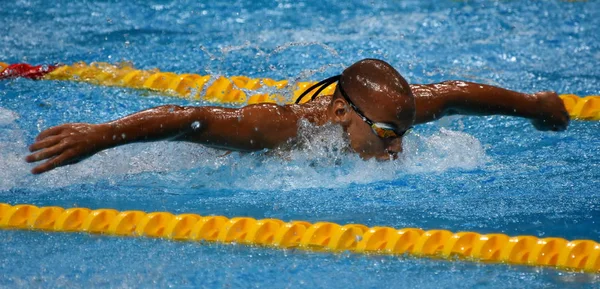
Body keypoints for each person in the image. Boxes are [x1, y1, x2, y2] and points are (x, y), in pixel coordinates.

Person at [25, 58, 569, 174]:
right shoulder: (279, 129)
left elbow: (456, 94)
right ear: (339, 112)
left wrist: (536, 108)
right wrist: (99, 135)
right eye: (385, 135)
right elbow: (190, 117)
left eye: (402, 132)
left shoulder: (395, 111)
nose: (398, 146)